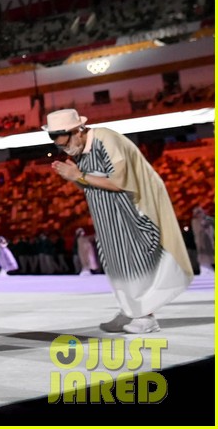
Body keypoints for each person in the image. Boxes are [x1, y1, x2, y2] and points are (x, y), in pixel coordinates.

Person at [48, 108, 193, 333]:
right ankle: (129, 311)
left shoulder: (106, 139)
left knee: (133, 259)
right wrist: (75, 177)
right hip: (107, 213)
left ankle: (145, 317)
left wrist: (78, 176)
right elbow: (89, 182)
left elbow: (119, 183)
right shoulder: (78, 149)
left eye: (64, 140)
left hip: (132, 208)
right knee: (114, 261)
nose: (63, 147)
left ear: (78, 130)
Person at [191, 206, 214, 275]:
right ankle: (205, 270)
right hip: (201, 242)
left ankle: (208, 270)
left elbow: (211, 222)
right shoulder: (195, 221)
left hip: (208, 242)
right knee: (203, 256)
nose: (200, 214)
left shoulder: (207, 220)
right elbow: (199, 230)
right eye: (198, 213)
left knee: (209, 256)